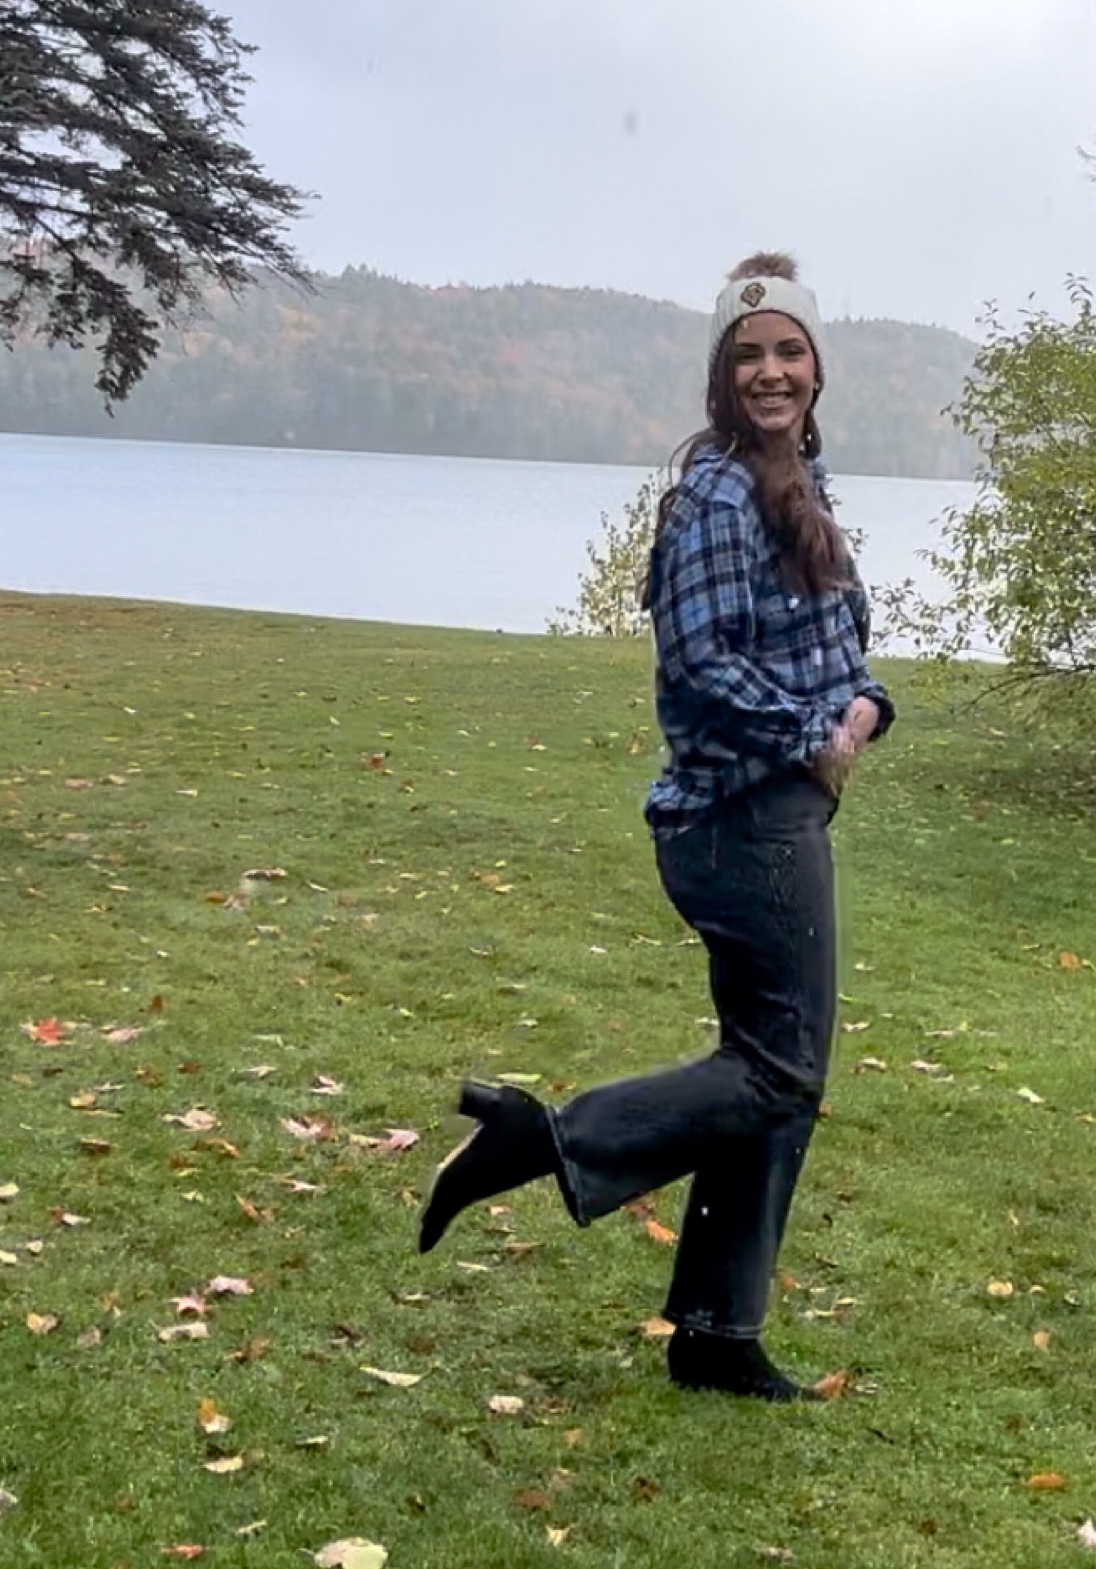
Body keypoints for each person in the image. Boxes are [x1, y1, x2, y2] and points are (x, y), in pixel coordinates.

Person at [419, 251, 894, 1402]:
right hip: (740, 820)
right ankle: (549, 1138)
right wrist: (813, 733)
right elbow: (696, 664)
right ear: (721, 377)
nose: (770, 371)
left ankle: (718, 1332)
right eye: (748, 355)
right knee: (779, 1073)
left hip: (777, 809)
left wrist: (868, 704)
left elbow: (835, 644)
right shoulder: (719, 496)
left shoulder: (799, 481)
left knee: (769, 1068)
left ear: (817, 365)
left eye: (788, 350)